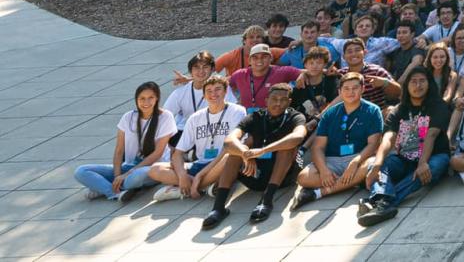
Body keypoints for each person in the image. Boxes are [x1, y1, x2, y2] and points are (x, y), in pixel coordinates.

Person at [201, 82, 309, 227]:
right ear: (266, 100)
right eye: (274, 99)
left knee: (287, 147)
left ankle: (266, 200)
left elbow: (298, 136)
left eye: (283, 100)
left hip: (284, 175)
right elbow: (229, 141)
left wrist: (264, 150)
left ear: (289, 102)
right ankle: (218, 208)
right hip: (256, 172)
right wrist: (245, 153)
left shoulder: (295, 116)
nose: (278, 103)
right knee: (233, 153)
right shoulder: (255, 116)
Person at [358, 69, 452, 226]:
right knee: (378, 165)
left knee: (434, 167)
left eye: (422, 80)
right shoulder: (399, 109)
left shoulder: (438, 106)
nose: (418, 85)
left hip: (432, 156)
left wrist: (422, 163)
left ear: (429, 84)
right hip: (405, 158)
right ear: (407, 86)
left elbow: (431, 135)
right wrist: (377, 163)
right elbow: (388, 138)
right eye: (413, 81)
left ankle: (381, 202)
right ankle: (384, 202)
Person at [291, 72, 386, 211]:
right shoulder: (330, 113)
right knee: (303, 178)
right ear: (339, 91)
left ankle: (319, 193)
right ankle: (354, 181)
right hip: (333, 159)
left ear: (363, 89)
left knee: (371, 164)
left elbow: (374, 144)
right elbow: (318, 147)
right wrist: (323, 171)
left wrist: (355, 162)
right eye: (346, 89)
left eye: (355, 88)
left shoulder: (372, 110)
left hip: (359, 157)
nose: (350, 92)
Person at [147, 74, 246, 204]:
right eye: (209, 91)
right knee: (155, 169)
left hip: (221, 162)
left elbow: (229, 148)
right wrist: (182, 176)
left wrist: (200, 175)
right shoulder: (195, 117)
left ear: (225, 92)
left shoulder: (237, 111)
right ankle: (202, 186)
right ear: (203, 95)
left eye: (218, 89)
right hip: (199, 163)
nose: (213, 94)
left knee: (231, 156)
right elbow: (177, 154)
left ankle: (186, 188)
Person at [75, 81, 175, 201]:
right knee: (81, 171)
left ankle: (103, 187)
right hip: (128, 165)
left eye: (150, 98)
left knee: (137, 176)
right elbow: (119, 150)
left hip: (152, 168)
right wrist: (118, 176)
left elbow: (158, 153)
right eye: (142, 98)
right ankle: (114, 192)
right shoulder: (128, 117)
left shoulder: (166, 117)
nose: (146, 102)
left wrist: (127, 174)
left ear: (157, 98)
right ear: (136, 99)